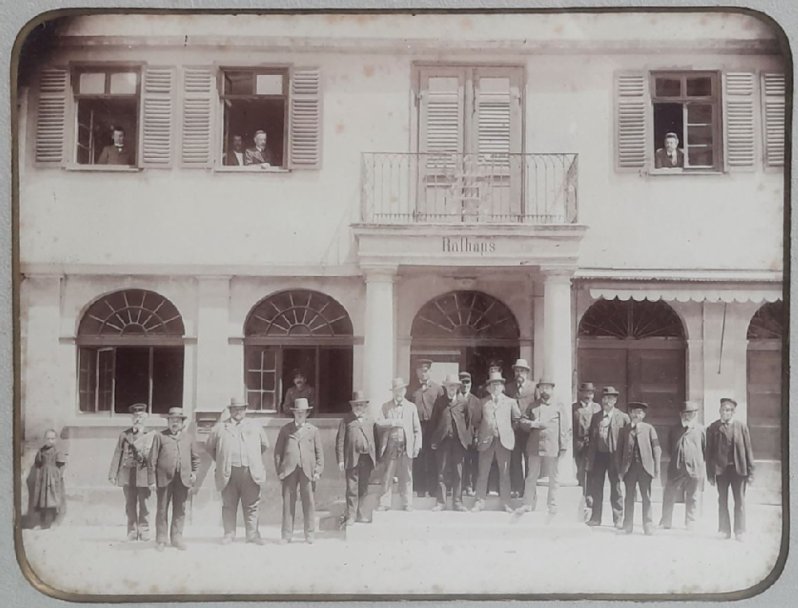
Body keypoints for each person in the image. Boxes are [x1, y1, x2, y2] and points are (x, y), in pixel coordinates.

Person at [206, 397, 270, 545]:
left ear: (245, 410)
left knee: (252, 504)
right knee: (229, 504)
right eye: (235, 409)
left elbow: (264, 445)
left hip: (250, 471)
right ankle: (229, 534)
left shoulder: (255, 426)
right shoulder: (220, 427)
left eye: (241, 409)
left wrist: (251, 458)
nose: (238, 412)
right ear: (230, 410)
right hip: (229, 472)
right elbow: (210, 447)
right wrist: (222, 460)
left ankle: (252, 535)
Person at [515, 378, 568, 518]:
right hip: (535, 446)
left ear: (552, 389)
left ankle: (553, 504)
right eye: (542, 387)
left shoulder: (559, 406)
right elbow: (522, 421)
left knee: (553, 477)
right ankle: (527, 503)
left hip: (552, 446)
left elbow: (564, 428)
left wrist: (563, 447)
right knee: (531, 476)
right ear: (538, 389)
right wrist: (533, 424)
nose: (544, 390)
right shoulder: (532, 406)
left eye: (548, 387)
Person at [274, 398, 324, 544]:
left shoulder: (313, 431)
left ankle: (309, 534)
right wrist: (280, 471)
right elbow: (278, 452)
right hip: (289, 470)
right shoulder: (286, 430)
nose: (300, 415)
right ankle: (286, 534)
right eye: (297, 413)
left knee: (309, 502)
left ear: (307, 414)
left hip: (307, 470)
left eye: (303, 412)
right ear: (294, 413)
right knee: (288, 502)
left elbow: (319, 453)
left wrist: (318, 470)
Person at [149, 407, 199, 552]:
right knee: (162, 509)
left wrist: (194, 473)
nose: (175, 423)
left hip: (182, 480)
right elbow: (151, 460)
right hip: (164, 479)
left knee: (180, 509)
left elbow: (195, 458)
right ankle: (161, 540)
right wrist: (152, 480)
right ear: (168, 422)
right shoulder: (159, 436)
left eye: (178, 420)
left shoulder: (188, 437)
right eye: (172, 420)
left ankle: (177, 538)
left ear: (182, 423)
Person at [471, 371, 521, 513]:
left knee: (505, 473)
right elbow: (476, 421)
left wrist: (507, 431)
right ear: (488, 387)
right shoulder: (483, 402)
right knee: (483, 473)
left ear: (503, 386)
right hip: (486, 441)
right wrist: (481, 434)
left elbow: (517, 419)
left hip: (504, 442)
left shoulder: (510, 402)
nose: (495, 387)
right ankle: (479, 501)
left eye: (498, 384)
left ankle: (506, 502)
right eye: (492, 384)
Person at [706, 397, 754, 541]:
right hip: (721, 470)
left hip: (738, 470)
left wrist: (751, 472)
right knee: (722, 500)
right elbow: (708, 453)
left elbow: (748, 450)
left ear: (733, 412)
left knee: (739, 500)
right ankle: (724, 530)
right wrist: (710, 474)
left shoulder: (741, 427)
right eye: (722, 410)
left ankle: (740, 531)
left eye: (727, 410)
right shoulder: (713, 428)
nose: (724, 413)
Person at [108, 403, 155, 541]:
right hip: (128, 474)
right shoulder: (124, 435)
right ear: (131, 418)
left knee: (144, 503)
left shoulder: (151, 435)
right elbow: (117, 453)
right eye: (135, 416)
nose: (138, 419)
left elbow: (154, 457)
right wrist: (112, 474)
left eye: (140, 416)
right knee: (130, 503)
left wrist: (154, 478)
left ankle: (144, 530)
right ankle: (132, 531)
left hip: (144, 474)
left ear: (145, 418)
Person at [585, 386, 630, 528]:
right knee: (596, 487)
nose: (607, 401)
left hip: (614, 457)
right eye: (605, 398)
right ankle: (596, 518)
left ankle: (618, 519)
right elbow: (591, 439)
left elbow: (628, 440)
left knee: (616, 487)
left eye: (610, 398)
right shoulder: (596, 417)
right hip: (599, 456)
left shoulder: (623, 417)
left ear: (615, 400)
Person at [376, 378, 422, 512]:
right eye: (396, 390)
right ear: (393, 392)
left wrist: (417, 446)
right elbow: (379, 423)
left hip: (406, 446)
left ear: (405, 391)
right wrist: (393, 422)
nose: (399, 393)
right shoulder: (386, 406)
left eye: (401, 390)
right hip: (391, 445)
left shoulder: (411, 407)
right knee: (388, 474)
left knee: (406, 475)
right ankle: (384, 503)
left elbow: (417, 429)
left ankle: (407, 503)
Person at [660, 401, 706, 531]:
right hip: (676, 467)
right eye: (684, 413)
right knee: (669, 493)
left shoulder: (701, 430)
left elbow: (705, 448)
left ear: (695, 414)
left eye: (690, 413)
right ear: (680, 414)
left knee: (692, 495)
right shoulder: (674, 429)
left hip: (694, 468)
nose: (687, 416)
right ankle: (666, 520)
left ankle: (690, 521)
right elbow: (669, 448)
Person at [617, 402, 661, 535]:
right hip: (629, 469)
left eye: (639, 412)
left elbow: (656, 449)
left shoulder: (649, 429)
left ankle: (647, 525)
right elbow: (618, 451)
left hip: (645, 468)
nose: (636, 415)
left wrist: (656, 468)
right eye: (634, 412)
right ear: (630, 414)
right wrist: (620, 470)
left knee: (646, 497)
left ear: (643, 415)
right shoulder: (624, 430)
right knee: (629, 496)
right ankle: (627, 525)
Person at [429, 374, 472, 512]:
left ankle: (457, 502)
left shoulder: (463, 402)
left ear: (458, 387)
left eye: (454, 386)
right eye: (449, 386)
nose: (452, 389)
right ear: (445, 387)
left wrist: (464, 439)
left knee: (458, 473)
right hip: (443, 442)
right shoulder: (440, 402)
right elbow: (434, 421)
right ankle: (441, 502)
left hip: (458, 442)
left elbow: (467, 421)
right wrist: (436, 438)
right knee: (441, 472)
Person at [336, 390, 376, 526]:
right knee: (352, 488)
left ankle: (362, 514)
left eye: (362, 405)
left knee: (363, 487)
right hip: (352, 458)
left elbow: (375, 438)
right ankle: (351, 516)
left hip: (366, 459)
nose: (359, 407)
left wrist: (375, 457)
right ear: (352, 406)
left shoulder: (370, 420)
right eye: (357, 405)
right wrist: (341, 460)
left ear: (365, 406)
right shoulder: (346, 420)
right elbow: (340, 441)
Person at [411, 358, 443, 498]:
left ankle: (433, 488)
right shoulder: (411, 389)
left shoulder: (438, 389)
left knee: (433, 458)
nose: (423, 374)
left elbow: (443, 409)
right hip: (416, 429)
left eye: (425, 371)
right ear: (416, 372)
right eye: (420, 371)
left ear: (430, 371)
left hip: (432, 428)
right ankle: (419, 488)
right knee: (418, 458)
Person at [505, 358, 535, 498]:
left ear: (527, 373)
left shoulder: (534, 387)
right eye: (517, 370)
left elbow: (538, 406)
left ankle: (529, 490)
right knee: (515, 460)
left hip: (529, 431)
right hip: (514, 430)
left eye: (522, 371)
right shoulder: (509, 388)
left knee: (530, 460)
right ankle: (517, 488)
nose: (519, 373)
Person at [31, 429, 67, 529]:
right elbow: (38, 463)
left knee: (54, 498)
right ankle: (42, 523)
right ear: (44, 439)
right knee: (42, 499)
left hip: (53, 479)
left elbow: (62, 465)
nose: (50, 440)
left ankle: (55, 522)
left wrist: (59, 477)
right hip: (43, 478)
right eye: (48, 438)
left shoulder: (57, 451)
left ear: (55, 440)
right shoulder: (41, 451)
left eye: (52, 438)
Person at [572, 381, 600, 508]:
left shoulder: (597, 408)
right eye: (586, 392)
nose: (588, 395)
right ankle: (580, 496)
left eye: (591, 393)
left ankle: (590, 496)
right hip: (579, 443)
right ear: (580, 393)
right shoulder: (574, 408)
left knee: (593, 470)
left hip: (593, 444)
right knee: (580, 469)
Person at [458, 371, 482, 496]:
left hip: (471, 437)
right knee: (458, 462)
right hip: (457, 437)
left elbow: (478, 421)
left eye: (467, 382)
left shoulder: (476, 401)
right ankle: (459, 486)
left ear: (471, 384)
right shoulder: (454, 398)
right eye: (462, 382)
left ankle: (469, 486)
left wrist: (476, 436)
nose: (465, 385)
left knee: (471, 462)